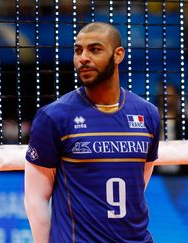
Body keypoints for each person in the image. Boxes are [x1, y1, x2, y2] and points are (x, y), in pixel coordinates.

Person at [24, 22, 160, 242]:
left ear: (118, 55)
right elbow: (36, 199)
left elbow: (138, 182)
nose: (83, 58)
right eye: (78, 50)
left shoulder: (148, 114)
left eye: (94, 49)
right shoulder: (54, 116)